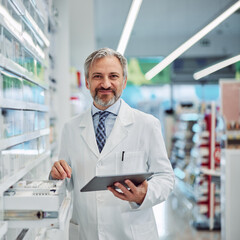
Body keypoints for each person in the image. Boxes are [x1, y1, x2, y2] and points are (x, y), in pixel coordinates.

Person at [50, 48, 174, 240]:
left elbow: (165, 178)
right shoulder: (71, 128)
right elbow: (65, 181)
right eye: (97, 76)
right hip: (87, 232)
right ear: (87, 82)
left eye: (113, 76)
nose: (105, 83)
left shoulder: (147, 124)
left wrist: (144, 194)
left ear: (124, 82)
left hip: (132, 233)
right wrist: (55, 176)